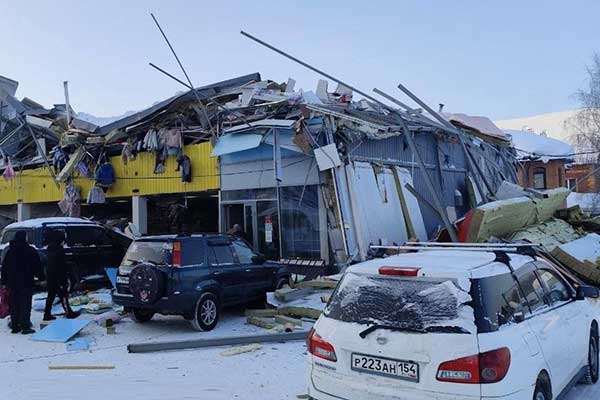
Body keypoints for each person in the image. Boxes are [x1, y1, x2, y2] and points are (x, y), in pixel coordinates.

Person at [0, 230, 43, 334]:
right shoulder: (30, 251)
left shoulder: (10, 251)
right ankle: (25, 326)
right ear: (25, 238)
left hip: (12, 282)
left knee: (14, 304)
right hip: (26, 282)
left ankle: (15, 325)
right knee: (25, 304)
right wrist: (41, 277)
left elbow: (4, 267)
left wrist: (4, 281)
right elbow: (37, 265)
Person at [43, 231, 80, 321]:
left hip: (51, 277)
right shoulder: (59, 251)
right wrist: (64, 279)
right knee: (63, 295)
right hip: (59, 277)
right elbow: (61, 266)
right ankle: (69, 313)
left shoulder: (50, 249)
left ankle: (47, 314)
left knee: (51, 295)